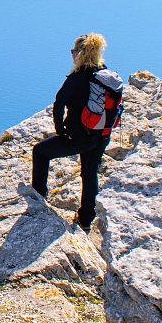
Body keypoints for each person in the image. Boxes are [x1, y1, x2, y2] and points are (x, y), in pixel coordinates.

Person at [31, 33, 123, 232]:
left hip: (79, 138)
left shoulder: (76, 78)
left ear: (80, 54)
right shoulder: (104, 75)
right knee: (89, 173)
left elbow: (59, 104)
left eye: (73, 51)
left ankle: (38, 196)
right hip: (101, 136)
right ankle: (86, 219)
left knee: (40, 152)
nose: (71, 54)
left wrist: (61, 131)